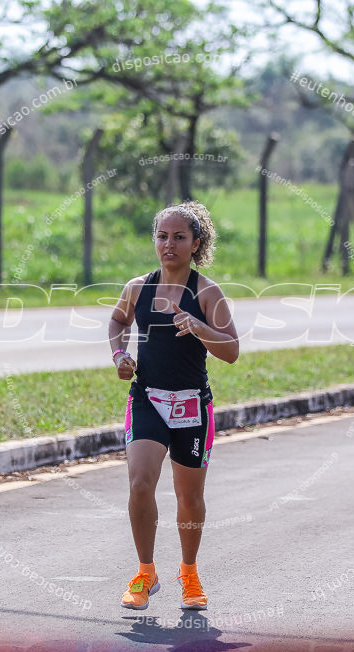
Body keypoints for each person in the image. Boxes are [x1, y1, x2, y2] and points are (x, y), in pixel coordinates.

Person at [107, 201, 239, 610]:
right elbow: (117, 322)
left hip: (190, 405)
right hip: (146, 397)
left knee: (188, 497)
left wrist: (200, 326)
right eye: (162, 236)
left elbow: (232, 350)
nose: (169, 244)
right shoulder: (138, 287)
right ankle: (145, 573)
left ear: (196, 243)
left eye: (179, 237)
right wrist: (119, 355)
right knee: (141, 482)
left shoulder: (206, 292)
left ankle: (189, 573)